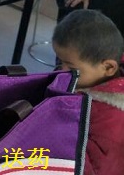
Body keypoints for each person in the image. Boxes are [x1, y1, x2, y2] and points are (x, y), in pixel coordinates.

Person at [52, 9, 124, 175]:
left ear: (108, 67)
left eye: (71, 68)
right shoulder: (94, 74)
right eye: (59, 61)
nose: (61, 71)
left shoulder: (111, 119)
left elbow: (95, 169)